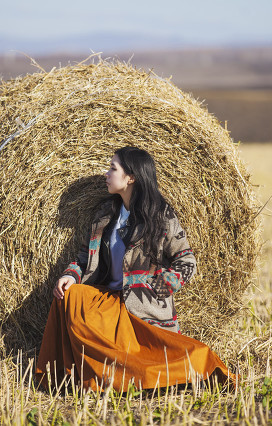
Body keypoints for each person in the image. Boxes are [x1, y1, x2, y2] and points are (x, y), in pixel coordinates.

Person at [36, 146, 232, 392]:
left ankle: (141, 378)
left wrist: (159, 287)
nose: (106, 174)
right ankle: (81, 378)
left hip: (142, 308)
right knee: (69, 296)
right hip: (108, 301)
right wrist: (70, 275)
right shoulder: (104, 215)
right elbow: (84, 258)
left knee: (190, 355)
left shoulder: (161, 215)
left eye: (112, 168)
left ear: (131, 177)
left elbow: (187, 260)